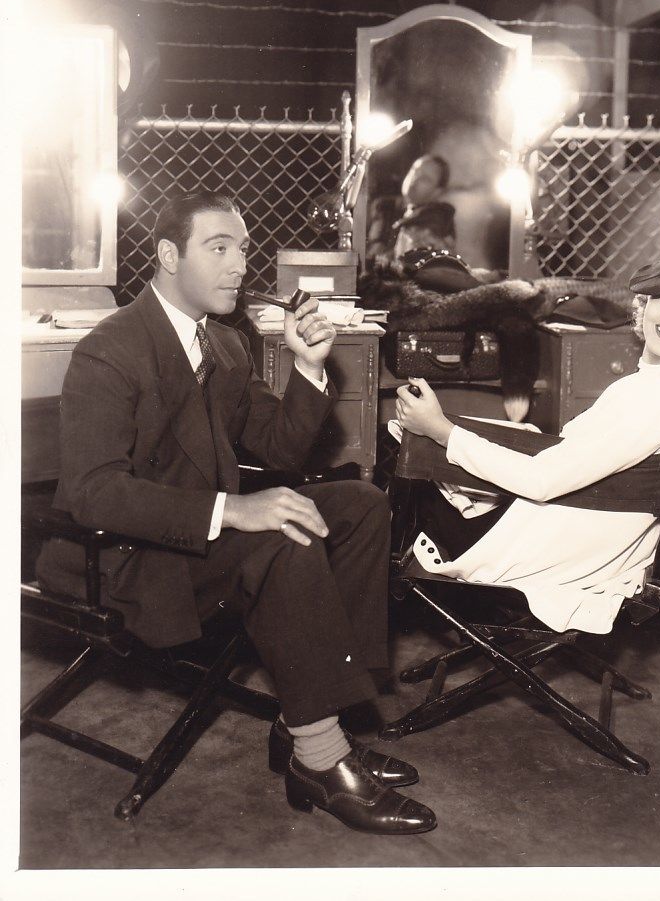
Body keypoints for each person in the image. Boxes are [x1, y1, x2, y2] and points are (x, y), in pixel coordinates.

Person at [37, 191, 436, 835]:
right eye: (218, 248)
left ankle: (314, 716)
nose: (238, 265)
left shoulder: (223, 346)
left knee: (360, 506)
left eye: (242, 249)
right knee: (280, 534)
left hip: (193, 543)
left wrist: (308, 367)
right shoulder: (111, 349)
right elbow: (93, 492)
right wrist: (233, 509)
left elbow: (277, 447)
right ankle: (320, 757)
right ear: (169, 256)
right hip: (123, 559)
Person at [393, 239, 660, 635]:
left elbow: (542, 481)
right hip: (590, 543)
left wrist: (441, 430)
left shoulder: (655, 394)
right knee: (452, 443)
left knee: (396, 463)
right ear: (646, 302)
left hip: (543, 552)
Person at [366, 153, 450, 261]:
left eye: (425, 179)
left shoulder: (441, 218)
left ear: (437, 192)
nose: (415, 179)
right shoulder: (383, 205)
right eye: (415, 171)